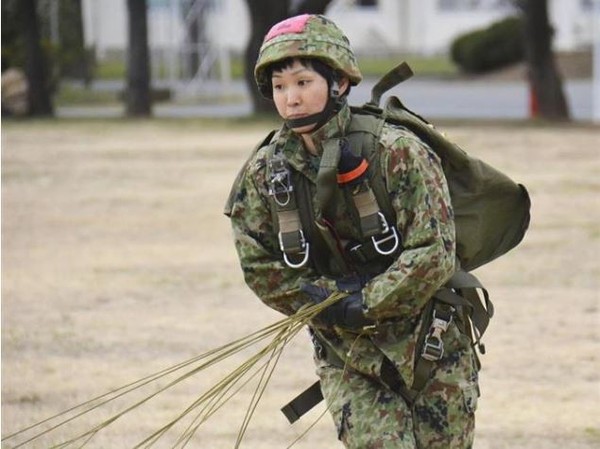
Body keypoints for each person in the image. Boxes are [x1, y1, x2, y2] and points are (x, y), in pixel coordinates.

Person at [225, 14, 480, 449]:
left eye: (303, 82)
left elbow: (435, 248)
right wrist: (323, 302)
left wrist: (368, 301)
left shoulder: (396, 151)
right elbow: (258, 262)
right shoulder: (265, 173)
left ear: (340, 82)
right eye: (280, 87)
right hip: (348, 354)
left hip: (431, 342)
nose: (291, 99)